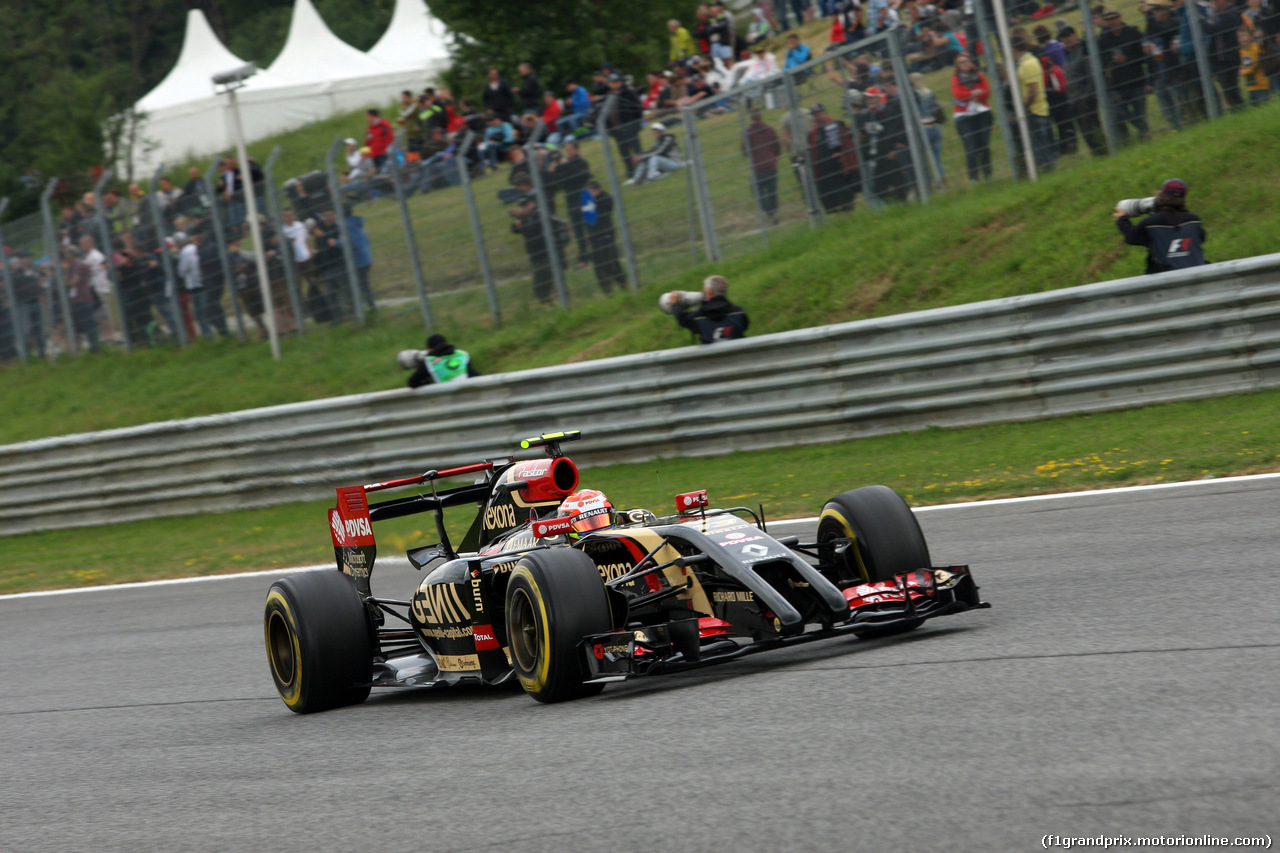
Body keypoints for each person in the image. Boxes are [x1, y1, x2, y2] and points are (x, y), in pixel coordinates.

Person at [1114, 179, 1208, 274]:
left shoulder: (1151, 223)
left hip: (1166, 280)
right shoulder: (1193, 220)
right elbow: (1201, 237)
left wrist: (1122, 219)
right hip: (1198, 275)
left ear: (1161, 196)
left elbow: (1131, 237)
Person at [663, 275, 749, 344]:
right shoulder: (739, 312)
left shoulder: (699, 316)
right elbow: (745, 326)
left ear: (709, 292)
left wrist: (675, 304)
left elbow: (682, 319)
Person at [808, 102, 858, 213]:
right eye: (815, 115)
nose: (818, 117)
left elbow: (847, 143)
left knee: (846, 200)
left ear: (825, 113)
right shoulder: (813, 134)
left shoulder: (837, 125)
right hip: (824, 173)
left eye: (819, 114)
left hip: (839, 170)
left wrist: (842, 155)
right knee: (831, 203)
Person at [951, 53, 993, 182]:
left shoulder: (979, 76)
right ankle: (973, 177)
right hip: (964, 116)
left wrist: (969, 95)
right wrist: (973, 93)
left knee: (984, 144)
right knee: (971, 146)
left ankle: (988, 174)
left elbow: (986, 92)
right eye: (961, 62)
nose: (964, 64)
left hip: (982, 113)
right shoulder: (955, 79)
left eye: (966, 61)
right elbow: (958, 95)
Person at [581, 180, 626, 293]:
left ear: (597, 190)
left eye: (592, 191)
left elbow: (606, 210)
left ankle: (622, 284)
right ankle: (607, 290)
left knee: (611, 261)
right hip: (594, 237)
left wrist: (595, 200)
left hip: (606, 235)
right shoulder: (586, 202)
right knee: (599, 265)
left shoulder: (604, 198)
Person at [400, 333, 481, 388]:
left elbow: (413, 382)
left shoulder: (429, 362)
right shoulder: (462, 354)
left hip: (450, 398)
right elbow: (472, 374)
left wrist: (426, 382)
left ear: (430, 349)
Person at [743, 109, 782, 222]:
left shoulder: (748, 132)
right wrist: (775, 158)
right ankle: (775, 214)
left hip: (758, 167)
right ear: (761, 116)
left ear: (750, 118)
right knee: (772, 192)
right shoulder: (769, 129)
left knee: (757, 192)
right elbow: (777, 146)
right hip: (771, 164)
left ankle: (771, 212)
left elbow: (745, 150)